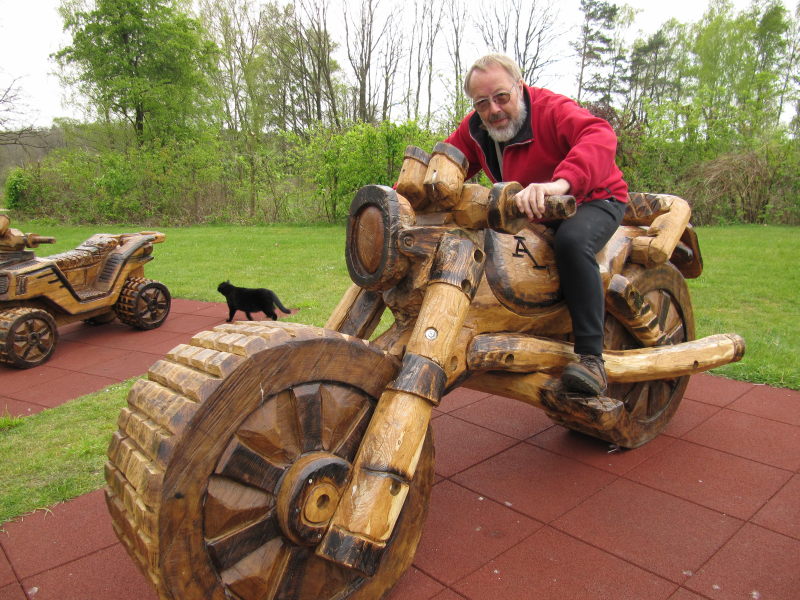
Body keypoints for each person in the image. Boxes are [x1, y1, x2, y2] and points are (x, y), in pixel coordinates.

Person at [444, 53, 629, 396]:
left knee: (572, 242)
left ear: (519, 85)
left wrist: (560, 183)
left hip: (592, 198)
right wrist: (400, 198)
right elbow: (445, 165)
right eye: (482, 102)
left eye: (502, 96)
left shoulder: (552, 109)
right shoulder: (476, 128)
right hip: (532, 213)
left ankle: (591, 358)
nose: (494, 109)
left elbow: (599, 134)